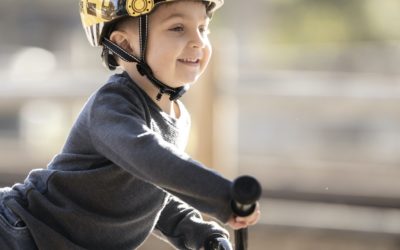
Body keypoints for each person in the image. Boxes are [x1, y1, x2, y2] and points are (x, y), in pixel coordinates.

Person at [0, 0, 260, 249]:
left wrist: (200, 232)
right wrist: (223, 196)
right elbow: (154, 162)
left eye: (202, 28)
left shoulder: (178, 116)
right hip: (18, 232)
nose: (198, 41)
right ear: (125, 44)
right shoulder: (111, 107)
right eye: (178, 28)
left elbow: (149, 195)